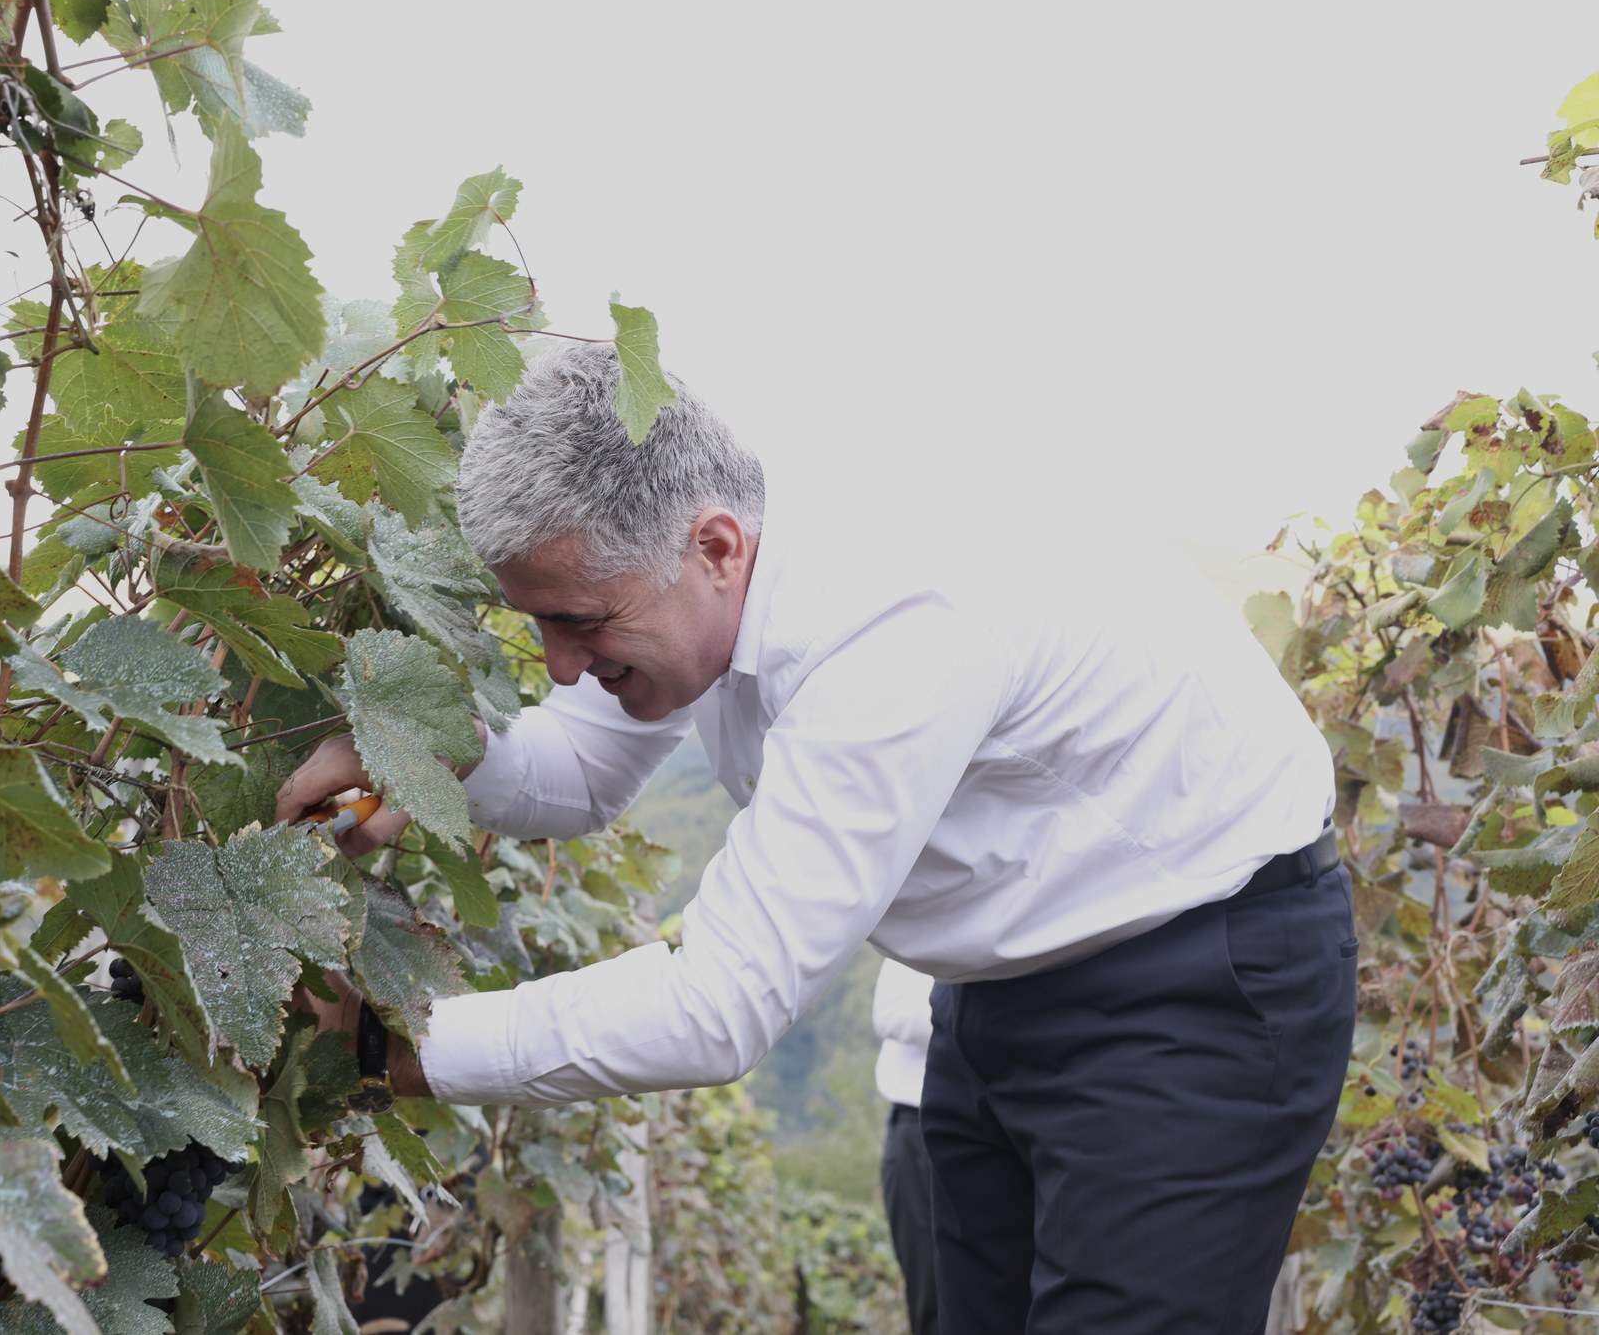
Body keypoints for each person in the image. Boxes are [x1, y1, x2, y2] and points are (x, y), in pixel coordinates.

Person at [276, 343, 1355, 1333]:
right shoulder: (699, 553)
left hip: (1195, 983)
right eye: (540, 623)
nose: (559, 665)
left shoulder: (893, 621)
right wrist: (426, 756)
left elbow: (717, 1006)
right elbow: (583, 768)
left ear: (714, 548)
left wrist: (390, 1047)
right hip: (997, 988)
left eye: (581, 624)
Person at [874, 959, 939, 1335]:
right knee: (929, 1290)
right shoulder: (923, 932)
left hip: (1007, 1121)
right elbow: (889, 1012)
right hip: (917, 1126)